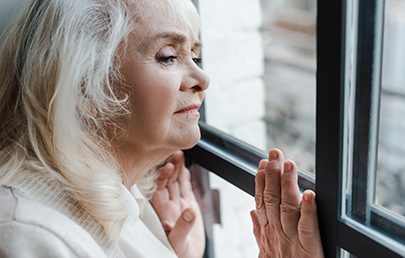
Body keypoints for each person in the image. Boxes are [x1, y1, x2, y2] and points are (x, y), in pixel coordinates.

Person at [0, 0, 323, 257]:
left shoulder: (127, 199)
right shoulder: (30, 237)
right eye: (168, 56)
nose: (203, 78)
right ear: (86, 87)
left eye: (194, 54)